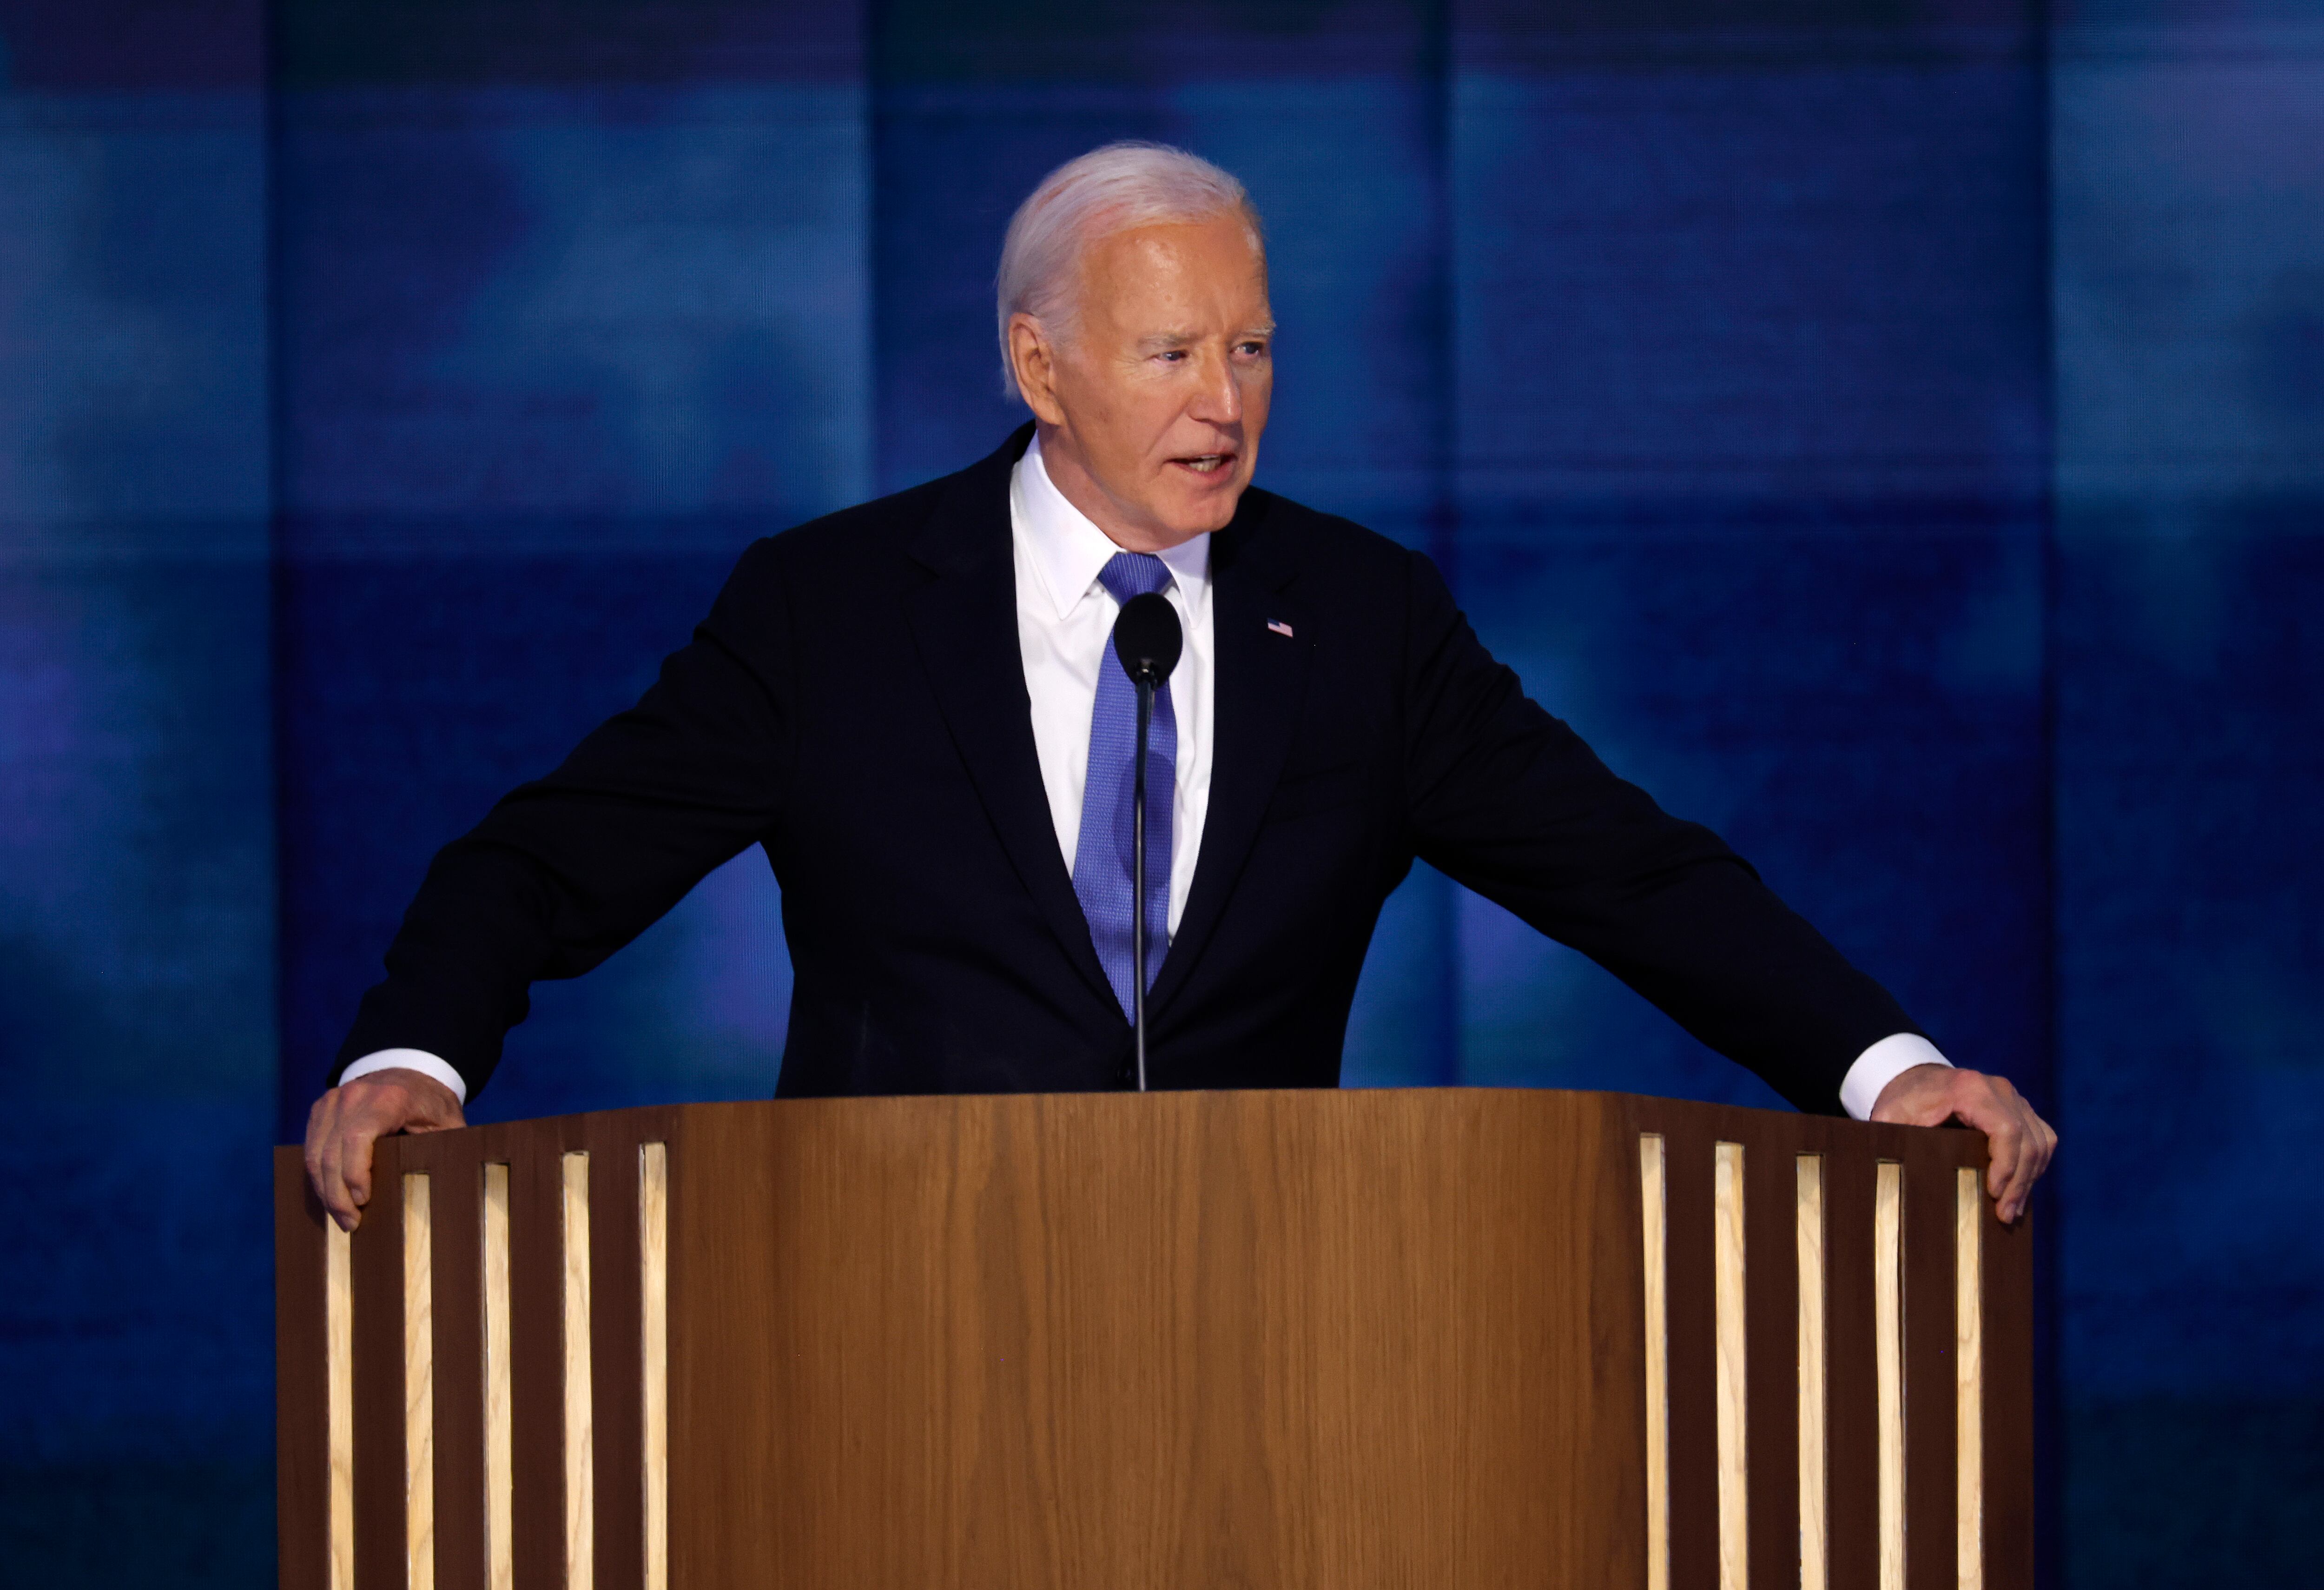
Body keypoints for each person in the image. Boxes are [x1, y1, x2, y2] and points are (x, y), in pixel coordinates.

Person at [305, 142, 2054, 1232]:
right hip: (873, 1322)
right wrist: (414, 1055)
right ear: (1037, 364)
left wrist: (1884, 1069)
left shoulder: (1359, 620)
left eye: (1254, 346)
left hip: (1262, 1326)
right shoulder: (835, 611)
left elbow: (1633, 872)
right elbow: (542, 860)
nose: (1226, 396)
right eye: (1170, 353)